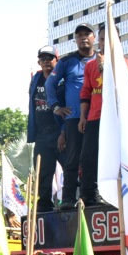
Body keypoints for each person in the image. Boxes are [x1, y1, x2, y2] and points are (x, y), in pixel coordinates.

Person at [47, 23, 96, 208]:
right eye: (79, 35)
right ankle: (68, 198)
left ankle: (91, 196)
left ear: (93, 38)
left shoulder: (101, 59)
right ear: (75, 40)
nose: (83, 38)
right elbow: (50, 84)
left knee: (93, 158)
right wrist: (55, 106)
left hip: (97, 116)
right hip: (74, 117)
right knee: (72, 158)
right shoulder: (67, 62)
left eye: (87, 34)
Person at [78, 28, 122, 207]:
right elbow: (86, 92)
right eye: (102, 39)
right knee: (88, 157)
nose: (104, 42)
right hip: (94, 117)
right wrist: (83, 117)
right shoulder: (90, 65)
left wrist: (104, 66)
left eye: (109, 38)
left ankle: (111, 194)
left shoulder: (124, 63)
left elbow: (117, 86)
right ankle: (89, 195)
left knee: (111, 157)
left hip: (114, 119)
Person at [27, 45, 63, 209]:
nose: (46, 61)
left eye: (50, 58)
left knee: (70, 166)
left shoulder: (62, 77)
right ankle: (44, 203)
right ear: (38, 62)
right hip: (42, 132)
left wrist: (65, 130)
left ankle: (72, 198)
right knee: (42, 169)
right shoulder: (36, 79)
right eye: (43, 59)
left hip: (60, 129)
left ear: (57, 59)